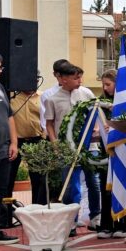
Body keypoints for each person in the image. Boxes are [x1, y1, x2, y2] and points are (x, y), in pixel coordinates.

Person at [42, 63, 100, 233]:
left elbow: (95, 115)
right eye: (76, 78)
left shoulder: (87, 93)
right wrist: (55, 144)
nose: (80, 81)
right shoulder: (52, 99)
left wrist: (96, 129)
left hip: (89, 145)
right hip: (66, 148)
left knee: (93, 181)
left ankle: (95, 217)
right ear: (63, 79)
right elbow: (49, 124)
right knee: (70, 185)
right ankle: (71, 221)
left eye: (80, 77)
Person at [95, 69, 126, 239]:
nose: (105, 88)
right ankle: (106, 224)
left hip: (124, 150)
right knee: (106, 188)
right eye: (103, 85)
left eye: (108, 84)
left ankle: (123, 223)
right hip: (106, 150)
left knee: (123, 184)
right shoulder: (101, 103)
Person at [8, 89, 47, 206]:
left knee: (38, 179)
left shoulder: (42, 96)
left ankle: (37, 209)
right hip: (15, 142)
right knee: (8, 178)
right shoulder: (11, 96)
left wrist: (44, 137)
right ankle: (6, 211)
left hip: (36, 140)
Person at [0, 53, 19, 244]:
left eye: (0, 67)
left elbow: (9, 116)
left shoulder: (0, 88)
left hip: (3, 150)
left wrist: (14, 142)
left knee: (1, 190)